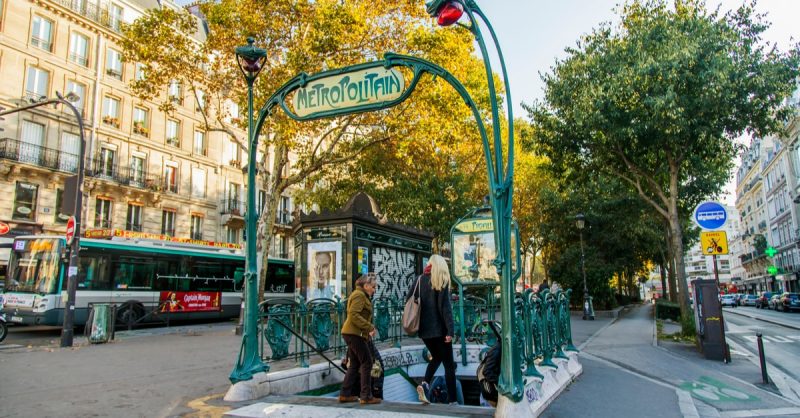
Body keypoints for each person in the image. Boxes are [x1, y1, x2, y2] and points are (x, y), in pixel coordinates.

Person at [408, 254, 457, 405]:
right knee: (448, 364)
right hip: (440, 331)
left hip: (424, 330)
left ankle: (424, 384)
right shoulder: (441, 280)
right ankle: (453, 400)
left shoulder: (419, 280)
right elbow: (446, 309)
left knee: (436, 357)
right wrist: (450, 331)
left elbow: (409, 299)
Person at [339, 273, 381, 405]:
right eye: (373, 287)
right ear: (366, 285)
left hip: (353, 333)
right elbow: (353, 315)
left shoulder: (361, 295)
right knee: (367, 362)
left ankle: (345, 394)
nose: (374, 290)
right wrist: (369, 327)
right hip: (353, 334)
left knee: (355, 364)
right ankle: (366, 396)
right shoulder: (359, 295)